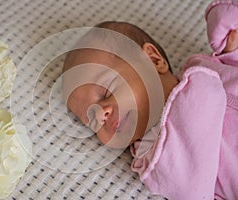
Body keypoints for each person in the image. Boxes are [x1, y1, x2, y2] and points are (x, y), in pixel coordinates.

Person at [62, 0, 238, 199]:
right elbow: (191, 190)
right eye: (91, 119)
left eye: (106, 92)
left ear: (153, 60)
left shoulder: (204, 66)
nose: (101, 114)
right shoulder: (154, 156)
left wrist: (229, 41)